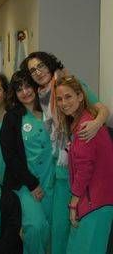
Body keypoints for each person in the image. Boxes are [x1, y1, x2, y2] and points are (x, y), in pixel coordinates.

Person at [20, 51, 110, 254]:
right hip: (60, 170)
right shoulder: (40, 96)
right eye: (32, 70)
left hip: (81, 171)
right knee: (59, 229)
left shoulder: (68, 86)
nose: (38, 72)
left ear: (50, 64)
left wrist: (96, 123)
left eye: (41, 66)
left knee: (79, 231)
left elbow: (102, 109)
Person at [54, 75, 113, 254]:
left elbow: (85, 169)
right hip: (94, 200)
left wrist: (73, 203)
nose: (64, 103)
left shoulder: (86, 126)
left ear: (80, 96)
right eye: (59, 99)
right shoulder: (81, 122)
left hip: (95, 201)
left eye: (68, 97)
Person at [0, 70, 54, 254]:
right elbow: (10, 156)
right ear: (14, 94)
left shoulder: (50, 110)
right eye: (19, 89)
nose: (25, 92)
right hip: (25, 184)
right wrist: (31, 183)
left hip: (53, 180)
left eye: (28, 86)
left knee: (53, 229)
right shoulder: (12, 117)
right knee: (36, 227)